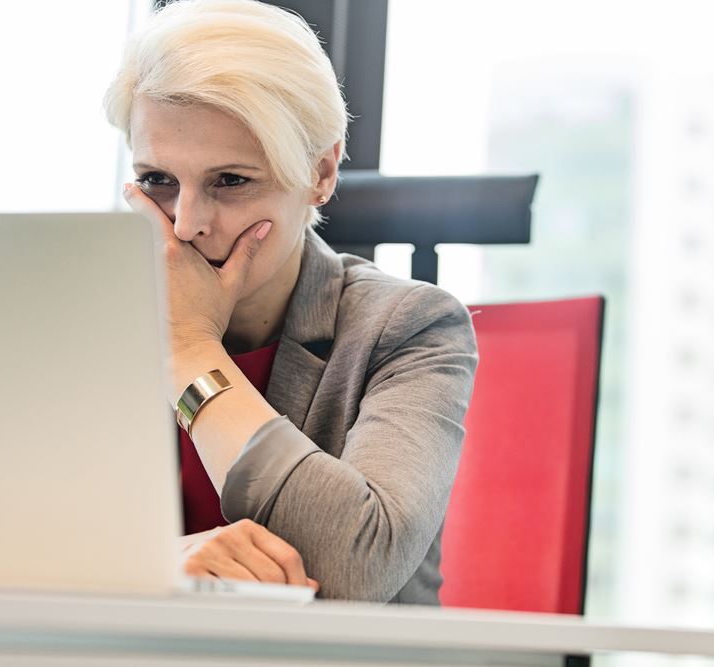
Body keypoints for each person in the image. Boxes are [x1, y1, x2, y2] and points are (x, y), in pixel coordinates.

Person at [103, 0, 477, 604]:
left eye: (230, 181)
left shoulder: (411, 329)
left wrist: (190, 350)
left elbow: (355, 571)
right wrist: (155, 565)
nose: (186, 224)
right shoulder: (86, 318)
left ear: (322, 172)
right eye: (158, 180)